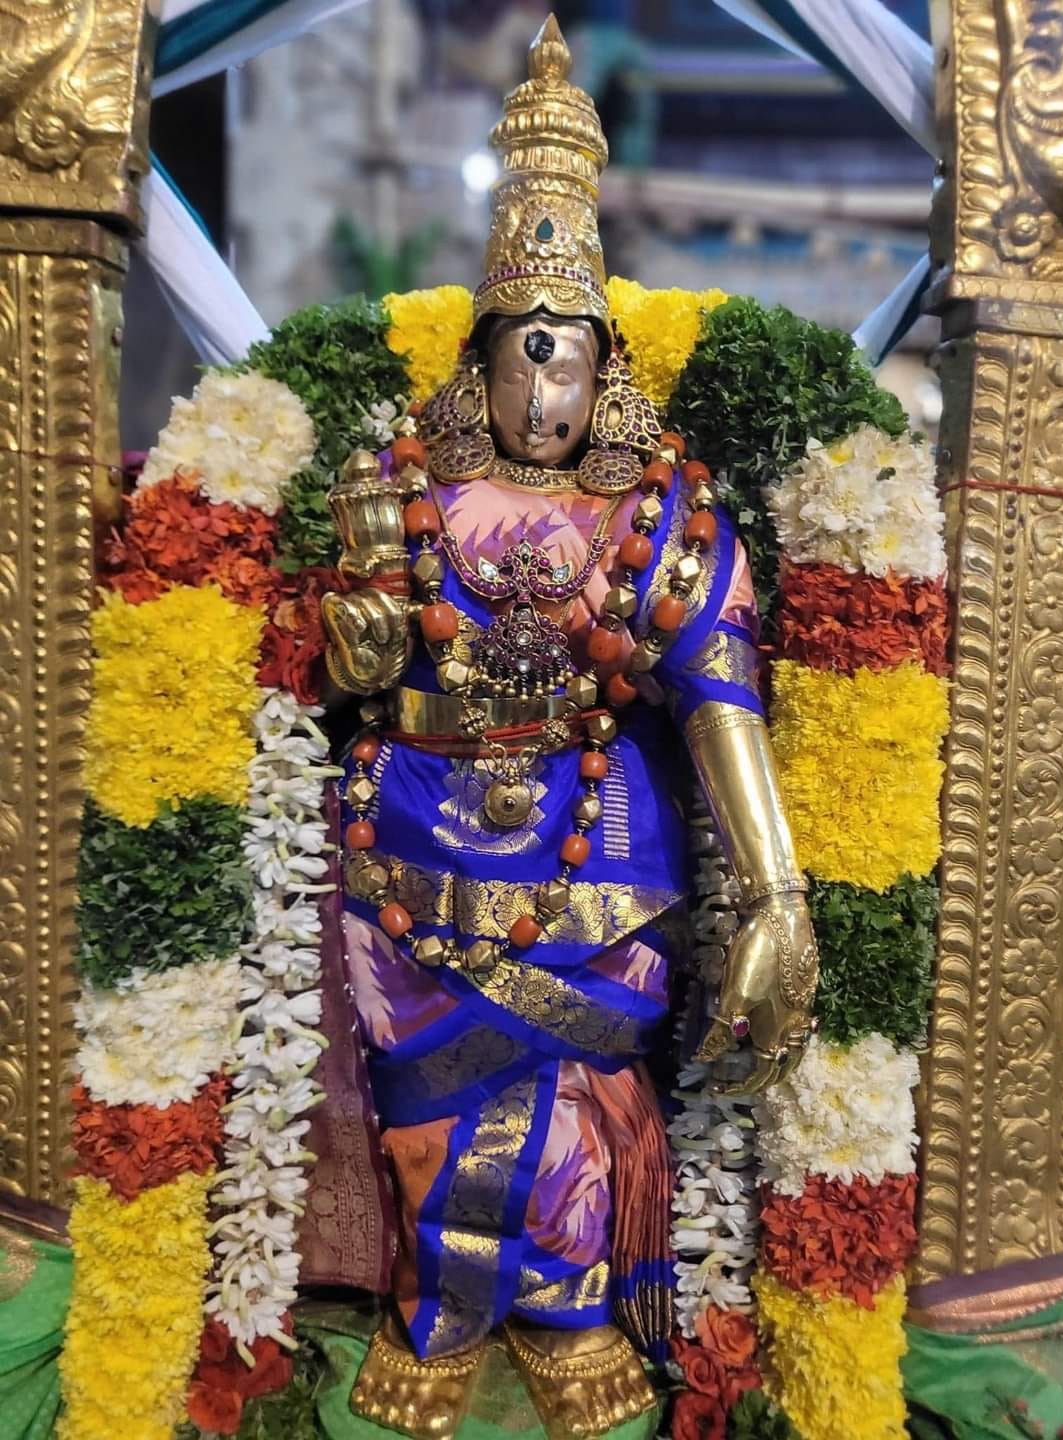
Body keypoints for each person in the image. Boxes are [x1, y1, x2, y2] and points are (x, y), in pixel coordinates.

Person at [322, 18, 817, 1439]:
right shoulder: (405, 489)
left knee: (574, 1076)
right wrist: (362, 605)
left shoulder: (660, 513)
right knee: (423, 1077)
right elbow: (351, 672)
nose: (542, 398)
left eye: (568, 366)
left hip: (592, 842)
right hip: (413, 835)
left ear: (606, 370)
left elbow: (721, 702)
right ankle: (438, 1306)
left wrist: (778, 894)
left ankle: (569, 1304)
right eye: (519, 361)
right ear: (478, 361)